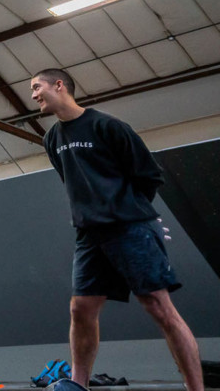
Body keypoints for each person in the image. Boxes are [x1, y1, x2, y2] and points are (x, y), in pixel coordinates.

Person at [31, 68, 203, 391]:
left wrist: (138, 216)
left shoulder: (106, 126)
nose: (33, 95)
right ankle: (78, 385)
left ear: (59, 85)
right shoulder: (52, 139)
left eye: (36, 87)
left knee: (158, 306)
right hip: (89, 235)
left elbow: (149, 175)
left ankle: (195, 388)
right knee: (80, 308)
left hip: (128, 228)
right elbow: (74, 185)